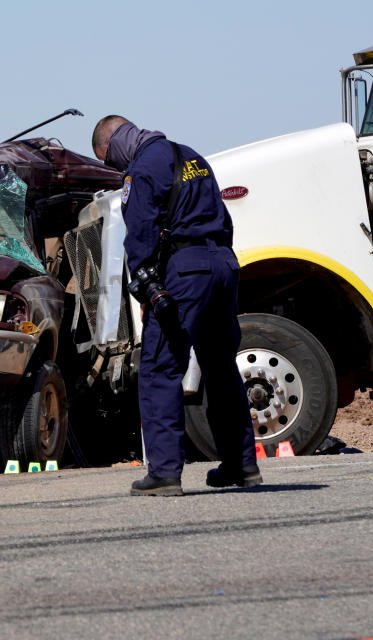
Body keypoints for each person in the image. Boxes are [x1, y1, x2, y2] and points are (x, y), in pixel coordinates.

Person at [91, 115, 261, 497]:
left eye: (108, 161)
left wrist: (149, 289)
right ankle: (242, 464)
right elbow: (223, 218)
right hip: (223, 265)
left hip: (186, 273)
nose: (115, 169)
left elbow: (141, 238)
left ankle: (164, 473)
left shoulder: (141, 170)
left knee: (160, 368)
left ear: (112, 144)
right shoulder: (192, 156)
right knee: (220, 368)